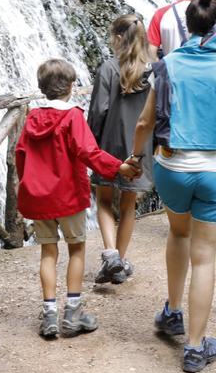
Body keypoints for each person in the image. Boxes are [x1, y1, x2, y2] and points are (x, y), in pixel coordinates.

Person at [132, 0, 216, 373]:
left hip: (172, 167)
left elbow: (145, 123)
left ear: (188, 25)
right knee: (205, 258)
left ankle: (173, 313)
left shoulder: (167, 65)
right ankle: (196, 347)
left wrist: (136, 158)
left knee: (178, 234)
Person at [16, 58, 142, 339]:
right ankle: (72, 313)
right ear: (71, 87)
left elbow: (20, 156)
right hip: (68, 196)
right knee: (76, 250)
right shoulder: (72, 116)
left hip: (38, 199)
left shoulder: (32, 119)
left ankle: (49, 316)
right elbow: (89, 152)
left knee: (48, 253)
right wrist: (119, 167)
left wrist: (26, 190)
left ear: (42, 88)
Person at [87, 14, 157, 285]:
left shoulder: (108, 68)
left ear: (117, 39)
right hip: (140, 146)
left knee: (104, 199)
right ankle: (121, 259)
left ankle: (111, 255)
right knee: (128, 204)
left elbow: (98, 111)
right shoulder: (152, 70)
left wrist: (89, 145)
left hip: (109, 143)